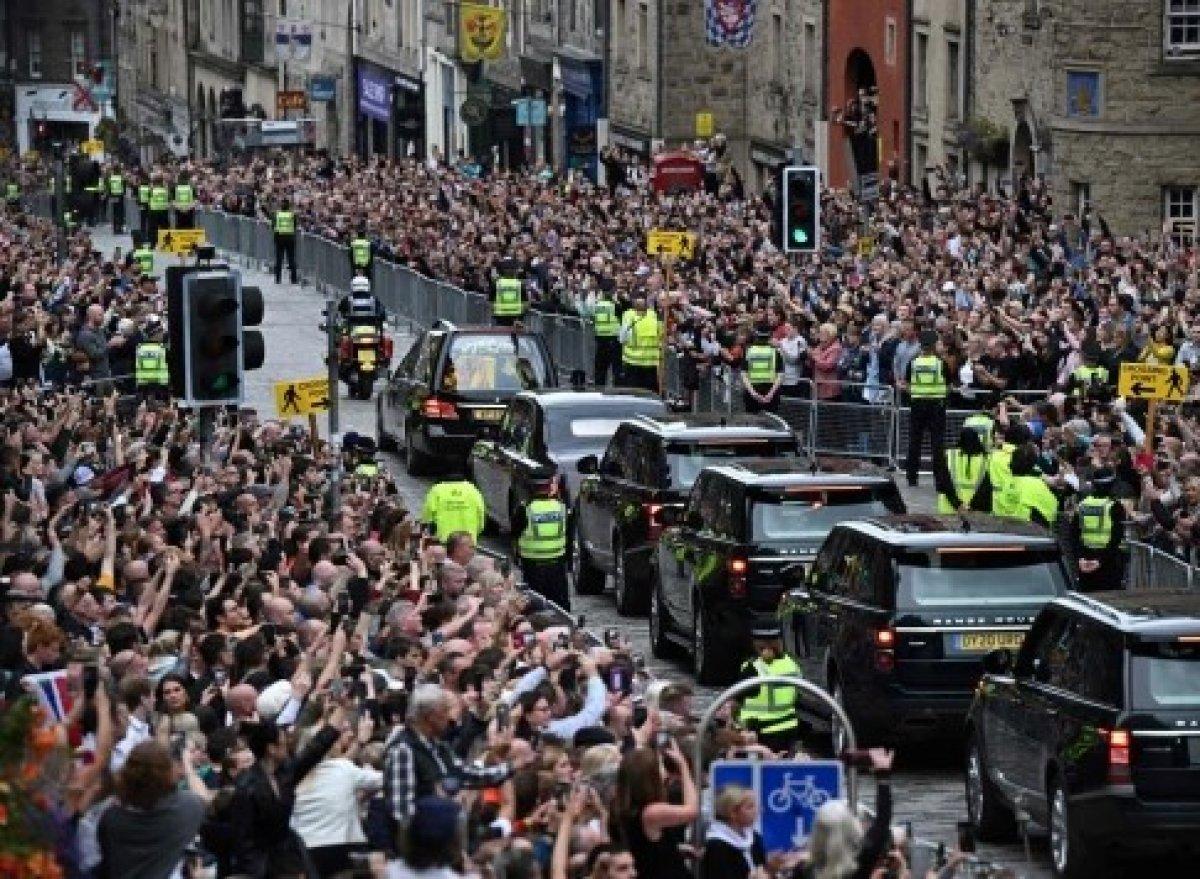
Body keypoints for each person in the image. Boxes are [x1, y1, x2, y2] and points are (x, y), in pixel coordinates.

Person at [382, 684, 518, 828]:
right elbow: (401, 813)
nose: (449, 717)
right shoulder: (403, 750)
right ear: (431, 716)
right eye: (445, 710)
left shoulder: (438, 746)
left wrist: (512, 766)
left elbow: (466, 774)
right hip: (423, 842)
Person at [97, 741, 207, 879]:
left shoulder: (111, 818)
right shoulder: (186, 810)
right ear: (169, 774)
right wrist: (188, 764)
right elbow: (203, 796)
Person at [796, 749, 894, 879]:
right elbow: (882, 822)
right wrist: (883, 776)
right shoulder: (860, 862)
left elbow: (882, 823)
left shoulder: (804, 870)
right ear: (852, 829)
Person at [613, 741, 698, 879]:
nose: (664, 770)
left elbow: (645, 847)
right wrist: (683, 766)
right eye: (660, 766)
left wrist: (675, 848)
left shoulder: (625, 806)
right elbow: (692, 810)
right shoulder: (651, 812)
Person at [736, 623, 803, 754]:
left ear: (758, 644)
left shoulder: (753, 668)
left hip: (761, 733)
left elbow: (736, 699)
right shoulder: (791, 663)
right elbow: (798, 695)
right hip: (790, 728)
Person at [511, 476, 570, 610]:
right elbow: (569, 533)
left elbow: (515, 533)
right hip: (557, 563)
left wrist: (516, 555)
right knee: (560, 606)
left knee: (535, 605)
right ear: (549, 488)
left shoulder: (525, 509)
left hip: (533, 564)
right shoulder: (560, 507)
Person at [901, 330, 951, 488]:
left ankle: (911, 477)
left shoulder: (913, 363)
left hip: (917, 405)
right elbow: (948, 385)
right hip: (936, 406)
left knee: (914, 441)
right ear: (934, 345)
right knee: (937, 444)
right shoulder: (940, 363)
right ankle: (940, 480)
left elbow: (907, 385)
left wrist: (917, 392)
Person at [1072, 467, 1127, 591]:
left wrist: (1080, 558)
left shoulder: (1082, 505)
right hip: (1108, 564)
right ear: (1111, 485)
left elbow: (1074, 535)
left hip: (1085, 563)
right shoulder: (1115, 507)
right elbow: (1116, 539)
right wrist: (1100, 561)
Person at [701, 785, 766, 879]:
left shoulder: (754, 837)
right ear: (733, 813)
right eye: (750, 807)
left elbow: (761, 868)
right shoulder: (717, 846)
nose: (758, 810)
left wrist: (772, 868)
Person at [995, 443, 1059, 528]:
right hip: (1029, 532)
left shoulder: (1006, 484)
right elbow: (1052, 506)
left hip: (1006, 532)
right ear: (1033, 464)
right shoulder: (1037, 484)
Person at [936, 426, 992, 514]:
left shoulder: (950, 455)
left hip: (950, 510)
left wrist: (958, 505)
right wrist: (972, 507)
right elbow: (986, 487)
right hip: (977, 511)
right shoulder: (987, 458)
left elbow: (943, 482)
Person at [421, 477, 486, 541]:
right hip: (467, 542)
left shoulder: (436, 490)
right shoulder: (473, 491)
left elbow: (427, 517)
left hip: (442, 541)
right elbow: (481, 520)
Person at [620, 295, 661, 393]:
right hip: (650, 363)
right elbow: (660, 334)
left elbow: (622, 339)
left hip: (632, 363)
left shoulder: (628, 316)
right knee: (650, 394)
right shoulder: (653, 316)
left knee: (633, 394)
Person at [741, 332, 784, 413]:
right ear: (769, 338)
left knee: (752, 423)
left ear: (756, 337)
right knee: (770, 423)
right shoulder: (775, 352)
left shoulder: (748, 351)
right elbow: (780, 376)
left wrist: (753, 394)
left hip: (752, 394)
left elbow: (744, 375)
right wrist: (770, 395)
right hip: (770, 394)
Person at [593, 290, 621, 386]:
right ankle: (617, 392)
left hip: (601, 340)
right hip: (613, 340)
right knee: (616, 370)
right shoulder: (615, 306)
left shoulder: (597, 305)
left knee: (600, 370)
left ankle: (598, 391)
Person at [134, 320, 169, 397]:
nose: (163, 334)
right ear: (156, 334)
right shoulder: (161, 349)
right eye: (161, 332)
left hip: (143, 384)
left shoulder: (140, 348)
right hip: (159, 385)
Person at [274, 198, 299, 285]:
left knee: (279, 259)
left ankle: (278, 279)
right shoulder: (292, 215)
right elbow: (295, 225)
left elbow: (273, 225)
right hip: (290, 238)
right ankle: (294, 279)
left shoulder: (277, 214)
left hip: (279, 238)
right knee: (291, 259)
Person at [146, 176, 171, 247]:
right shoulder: (165, 190)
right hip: (163, 210)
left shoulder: (151, 190)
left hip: (153, 210)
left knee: (153, 228)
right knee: (165, 227)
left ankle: (153, 243)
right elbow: (169, 199)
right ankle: (166, 243)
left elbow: (148, 199)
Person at [107, 166, 126, 234]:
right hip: (120, 196)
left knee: (114, 212)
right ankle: (119, 228)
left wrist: (110, 195)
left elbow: (109, 187)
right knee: (120, 212)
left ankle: (115, 228)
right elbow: (124, 187)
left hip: (113, 196)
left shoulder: (111, 178)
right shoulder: (121, 178)